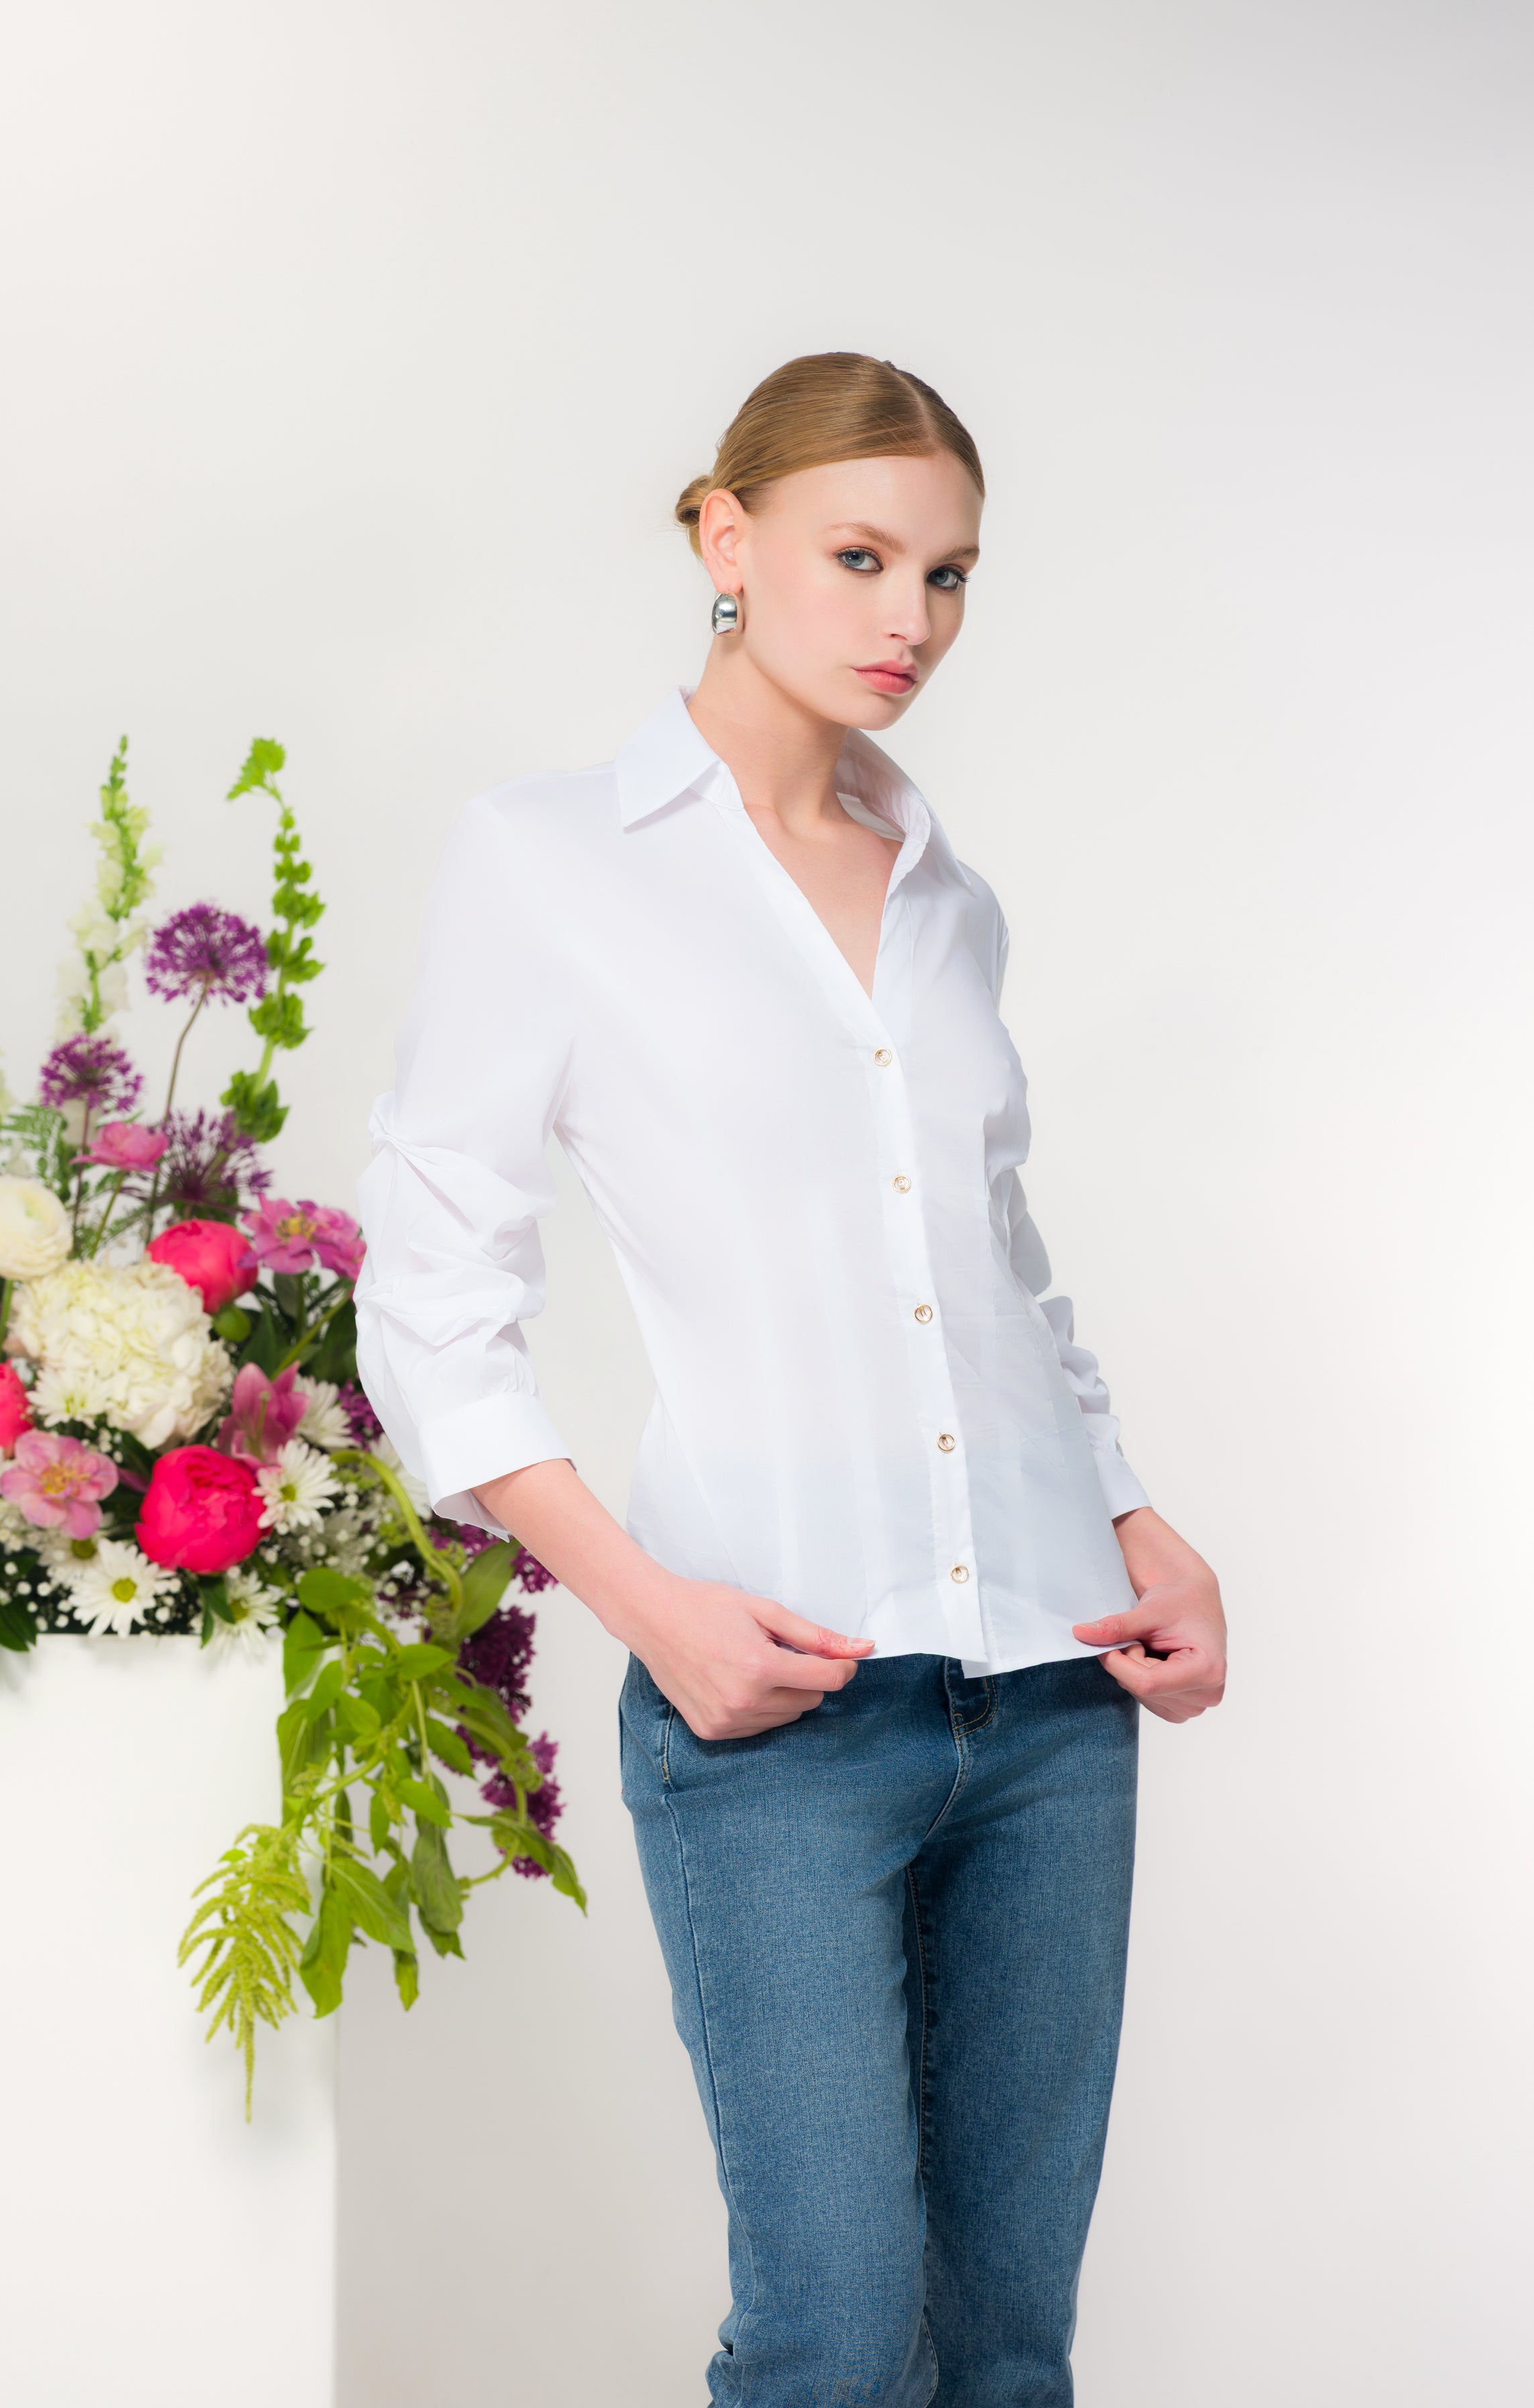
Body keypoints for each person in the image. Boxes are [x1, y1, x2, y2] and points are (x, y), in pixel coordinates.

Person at [352, 350, 1226, 2408]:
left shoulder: (949, 901)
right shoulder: (549, 859)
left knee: (1004, 2349)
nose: (908, 616)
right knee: (829, 2337)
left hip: (1051, 1695)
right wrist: (644, 1607)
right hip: (775, 1699)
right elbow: (434, 1287)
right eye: (859, 556)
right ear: (722, 537)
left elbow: (996, 1269)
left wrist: (1134, 1519)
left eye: (947, 573)